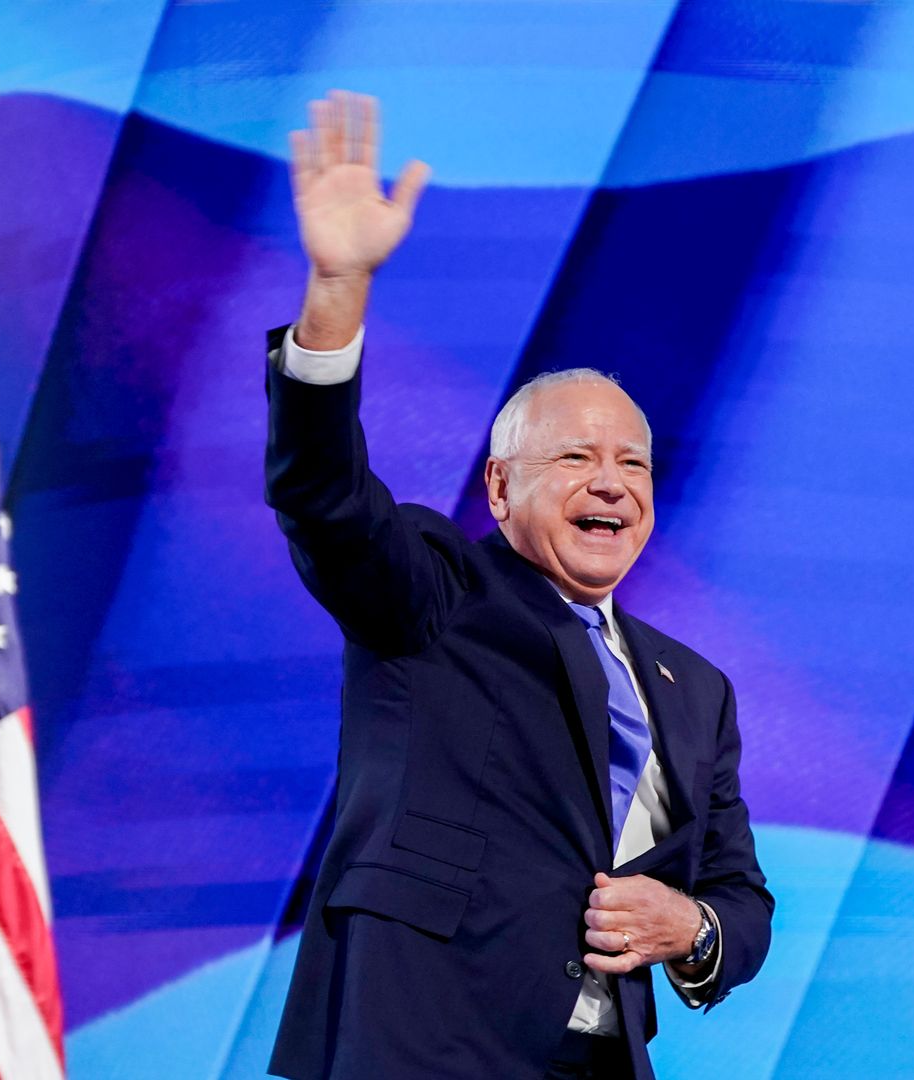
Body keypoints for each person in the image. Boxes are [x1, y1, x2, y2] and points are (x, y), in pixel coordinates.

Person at [265, 91, 773, 1080]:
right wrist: (336, 289)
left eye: (634, 464)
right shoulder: (436, 590)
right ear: (499, 487)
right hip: (423, 1046)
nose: (611, 483)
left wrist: (693, 926)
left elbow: (739, 898)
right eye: (578, 457)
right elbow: (324, 499)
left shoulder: (694, 689)